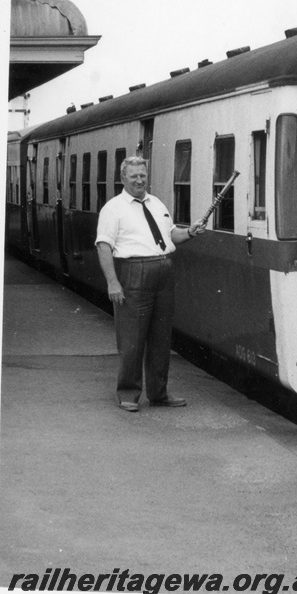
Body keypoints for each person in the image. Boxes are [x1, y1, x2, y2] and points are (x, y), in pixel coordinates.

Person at [95, 156, 206, 412]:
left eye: (142, 175)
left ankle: (159, 393)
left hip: (163, 271)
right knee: (132, 339)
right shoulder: (113, 208)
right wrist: (113, 282)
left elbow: (170, 236)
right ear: (123, 179)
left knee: (160, 337)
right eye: (133, 176)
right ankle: (128, 394)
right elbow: (103, 246)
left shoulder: (156, 203)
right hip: (133, 273)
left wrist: (190, 232)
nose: (139, 180)